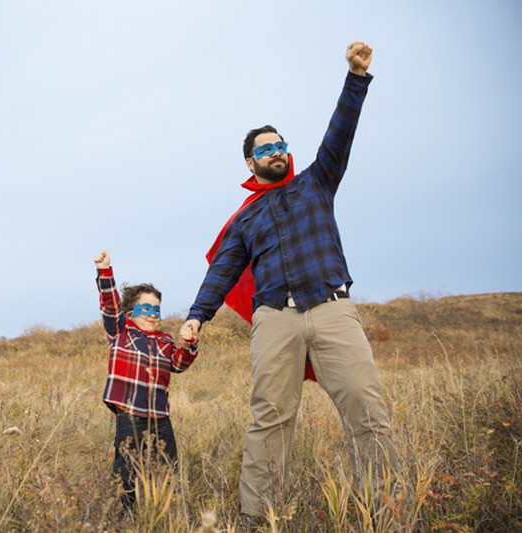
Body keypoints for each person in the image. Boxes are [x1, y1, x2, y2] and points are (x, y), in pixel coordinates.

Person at [180, 42, 400, 524]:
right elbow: (222, 270)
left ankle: (387, 511)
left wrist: (355, 79)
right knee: (269, 421)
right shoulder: (245, 218)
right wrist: (197, 316)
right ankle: (259, 519)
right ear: (250, 163)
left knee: (366, 406)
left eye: (281, 145)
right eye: (266, 149)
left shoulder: (316, 182)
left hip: (331, 306)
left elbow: (339, 135)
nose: (277, 152)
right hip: (275, 319)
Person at [94, 250, 198, 510]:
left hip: (160, 418)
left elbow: (178, 364)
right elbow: (110, 306)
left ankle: (163, 513)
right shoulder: (121, 331)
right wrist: (106, 272)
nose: (153, 314)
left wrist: (188, 345)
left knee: (167, 468)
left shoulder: (164, 340)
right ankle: (124, 516)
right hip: (130, 415)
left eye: (157, 310)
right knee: (127, 469)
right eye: (146, 308)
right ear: (131, 311)